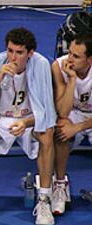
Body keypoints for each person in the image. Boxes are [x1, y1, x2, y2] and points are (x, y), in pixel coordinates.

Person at [0, 28, 56, 225]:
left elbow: (48, 113)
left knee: (47, 133)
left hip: (29, 119)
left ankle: (44, 199)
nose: (13, 57)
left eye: (19, 52)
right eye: (10, 51)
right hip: (0, 119)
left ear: (30, 53)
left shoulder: (42, 65)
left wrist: (26, 123)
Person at [51, 33, 92, 215]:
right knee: (60, 130)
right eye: (69, 53)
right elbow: (63, 111)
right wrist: (72, 79)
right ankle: (60, 184)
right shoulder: (59, 66)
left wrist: (78, 128)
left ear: (90, 60)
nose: (70, 59)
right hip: (73, 113)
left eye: (76, 56)